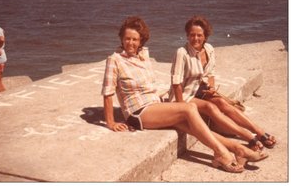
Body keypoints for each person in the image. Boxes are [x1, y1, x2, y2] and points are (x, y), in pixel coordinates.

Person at [101, 16, 268, 173]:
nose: (130, 42)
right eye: (127, 38)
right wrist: (110, 122)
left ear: (141, 41)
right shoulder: (114, 59)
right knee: (188, 109)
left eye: (135, 39)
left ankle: (239, 150)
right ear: (121, 39)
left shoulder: (143, 55)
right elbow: (108, 92)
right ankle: (220, 154)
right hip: (138, 112)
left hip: (155, 106)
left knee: (193, 127)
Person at [170, 15, 276, 151]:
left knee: (222, 103)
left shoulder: (209, 49)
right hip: (184, 94)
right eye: (192, 35)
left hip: (199, 89)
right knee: (211, 107)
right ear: (187, 36)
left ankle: (259, 131)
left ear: (205, 36)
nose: (195, 38)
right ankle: (248, 136)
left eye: (199, 35)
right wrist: (181, 108)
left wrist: (212, 88)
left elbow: (211, 73)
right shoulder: (182, 53)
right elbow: (176, 83)